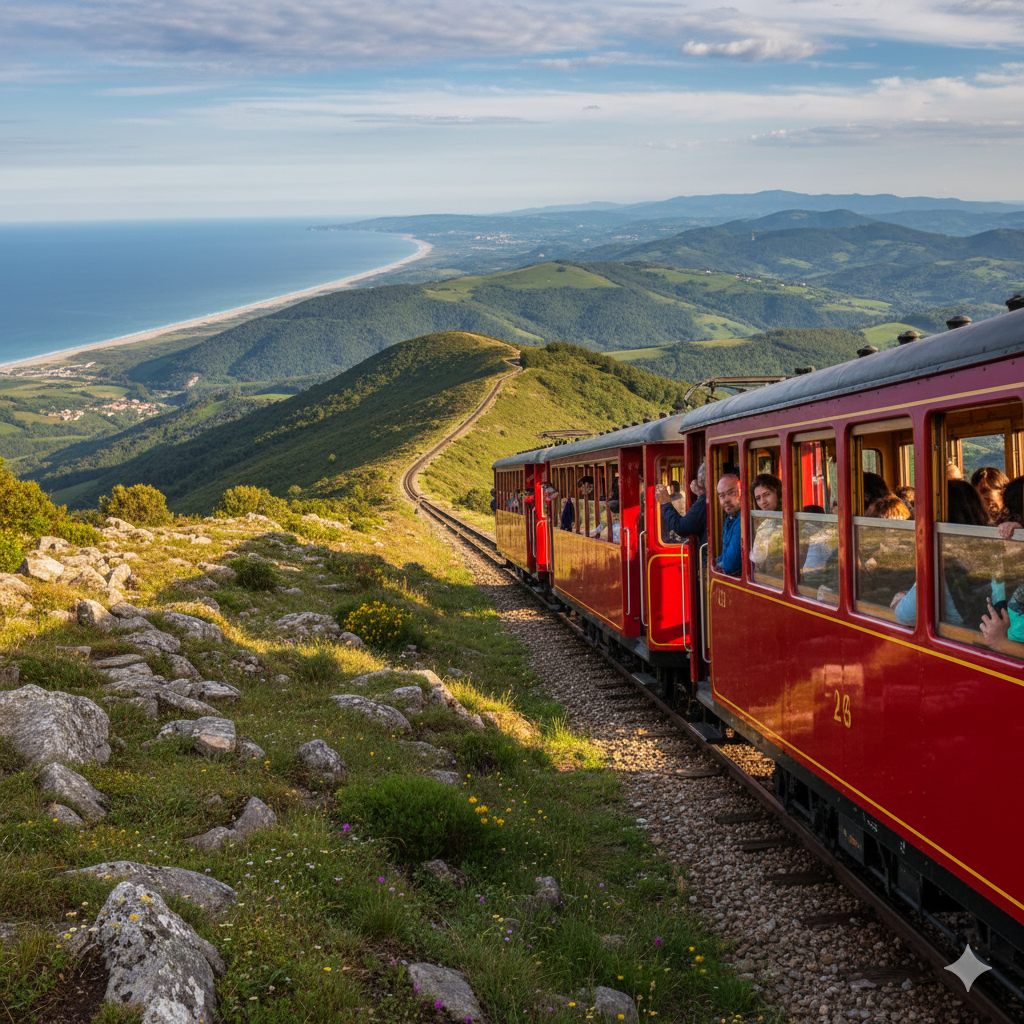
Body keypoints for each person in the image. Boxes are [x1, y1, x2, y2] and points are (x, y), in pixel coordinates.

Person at [891, 481, 988, 625]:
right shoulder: (987, 546)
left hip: (957, 637)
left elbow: (905, 615)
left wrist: (902, 597)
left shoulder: (942, 557)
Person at [653, 462, 707, 547]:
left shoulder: (705, 500)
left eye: (701, 482)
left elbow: (681, 528)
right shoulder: (705, 498)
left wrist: (665, 503)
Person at [749, 473, 784, 577]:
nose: (762, 501)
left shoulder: (765, 527)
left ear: (778, 493)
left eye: (767, 494)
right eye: (758, 498)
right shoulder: (765, 524)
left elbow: (757, 558)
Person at [715, 472, 743, 575]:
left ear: (741, 492)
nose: (726, 500)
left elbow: (730, 566)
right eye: (722, 496)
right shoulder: (730, 518)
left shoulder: (742, 520)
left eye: (731, 493)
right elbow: (724, 556)